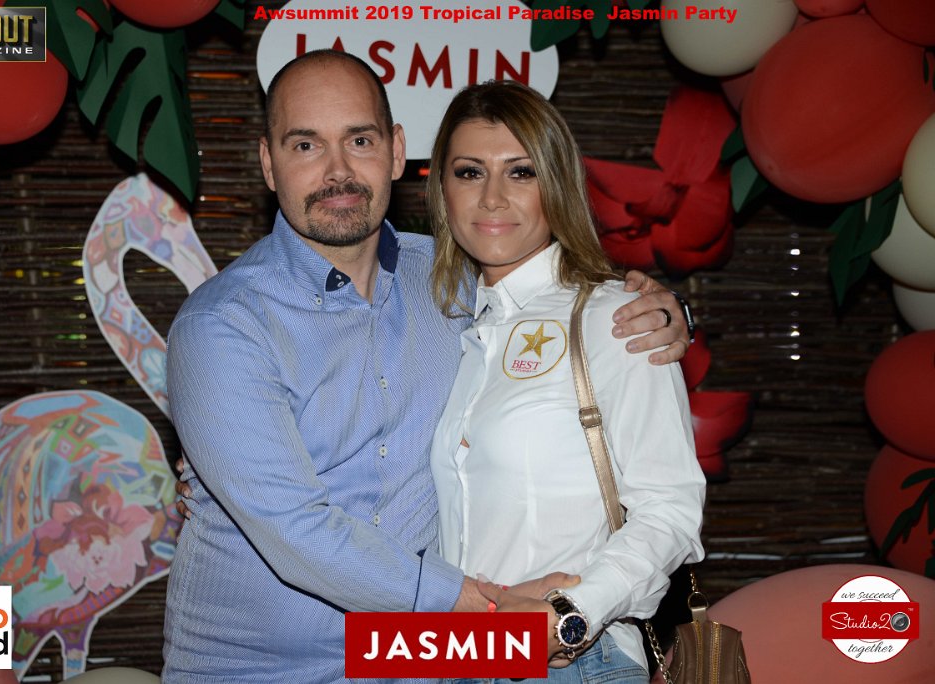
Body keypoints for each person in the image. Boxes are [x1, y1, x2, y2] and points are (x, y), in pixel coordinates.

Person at [162, 50, 692, 683]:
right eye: (305, 145)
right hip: (268, 668)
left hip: (432, 657)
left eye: (359, 140)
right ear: (268, 164)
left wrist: (665, 309)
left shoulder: (452, 283)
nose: (337, 170)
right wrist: (486, 608)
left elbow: (554, 299)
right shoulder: (223, 324)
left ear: (396, 152)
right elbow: (294, 527)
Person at [426, 80, 706, 683]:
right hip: (461, 654)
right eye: (470, 172)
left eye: (521, 172)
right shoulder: (454, 329)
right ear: (442, 189)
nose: (492, 197)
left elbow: (671, 510)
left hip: (574, 659)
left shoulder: (615, 317)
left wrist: (570, 614)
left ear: (555, 184)